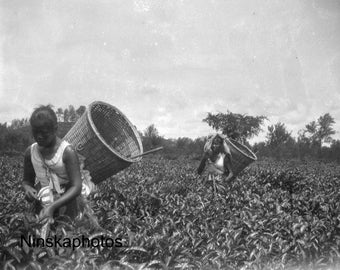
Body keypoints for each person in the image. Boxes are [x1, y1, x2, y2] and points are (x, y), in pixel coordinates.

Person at [22, 105, 96, 226]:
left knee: (68, 229)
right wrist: (28, 189)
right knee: (39, 232)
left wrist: (52, 207)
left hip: (68, 198)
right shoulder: (30, 152)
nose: (39, 136)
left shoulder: (67, 152)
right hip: (45, 197)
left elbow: (76, 187)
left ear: (55, 129)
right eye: (35, 132)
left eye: (44, 133)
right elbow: (26, 181)